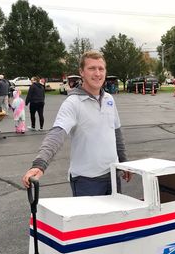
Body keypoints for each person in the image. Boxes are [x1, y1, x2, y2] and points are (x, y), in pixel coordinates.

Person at [22, 50, 132, 196]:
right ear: (82, 72)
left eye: (101, 69)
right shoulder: (73, 103)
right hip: (86, 181)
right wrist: (40, 164)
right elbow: (57, 134)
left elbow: (116, 133)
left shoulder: (109, 99)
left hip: (112, 176)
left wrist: (123, 163)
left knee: (115, 219)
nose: (97, 73)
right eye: (92, 68)